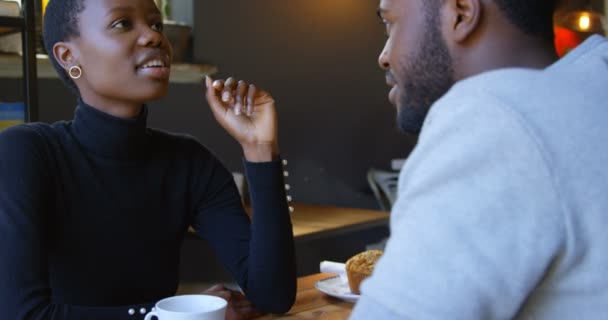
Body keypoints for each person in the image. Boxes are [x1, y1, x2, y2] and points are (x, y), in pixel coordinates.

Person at [0, 0, 296, 319]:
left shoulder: (189, 162)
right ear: (69, 56)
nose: (154, 37)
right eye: (122, 24)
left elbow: (274, 295)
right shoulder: (27, 153)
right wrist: (173, 315)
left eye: (156, 25)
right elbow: (23, 314)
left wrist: (260, 148)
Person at [351, 0, 608, 319]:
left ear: (461, 12)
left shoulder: (496, 118)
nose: (384, 56)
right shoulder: (595, 86)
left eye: (391, 23)